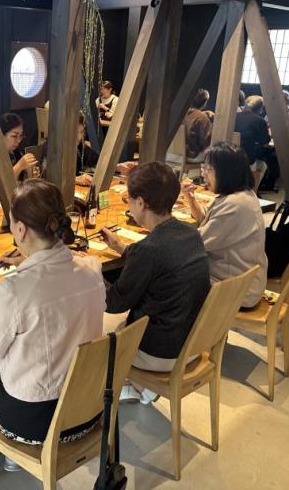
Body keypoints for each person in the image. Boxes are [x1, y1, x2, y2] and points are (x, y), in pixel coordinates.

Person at [0, 179, 106, 470]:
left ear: (21, 229)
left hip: (37, 424)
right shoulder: (91, 269)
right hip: (87, 410)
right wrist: (26, 263)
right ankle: (11, 455)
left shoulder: (15, 290)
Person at [100, 162, 211, 404]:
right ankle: (143, 387)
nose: (129, 205)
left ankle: (134, 385)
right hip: (193, 342)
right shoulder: (191, 233)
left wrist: (91, 271)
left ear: (140, 203)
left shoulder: (148, 250)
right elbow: (161, 261)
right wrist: (122, 248)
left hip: (163, 352)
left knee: (109, 337)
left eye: (129, 200)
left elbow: (114, 303)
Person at [180, 142, 268, 309]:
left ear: (226, 172)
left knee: (168, 276)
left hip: (237, 289)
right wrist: (190, 199)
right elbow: (207, 218)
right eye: (203, 167)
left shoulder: (235, 205)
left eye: (208, 169)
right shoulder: (242, 194)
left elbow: (196, 244)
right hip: (240, 279)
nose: (203, 174)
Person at [0, 113, 37, 198]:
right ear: (0, 135)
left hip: (13, 199)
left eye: (21, 136)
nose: (19, 141)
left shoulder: (15, 153)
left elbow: (20, 185)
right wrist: (19, 166)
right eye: (14, 136)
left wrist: (30, 174)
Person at [234, 95, 270, 176]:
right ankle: (251, 183)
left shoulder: (233, 116)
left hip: (228, 156)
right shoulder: (260, 121)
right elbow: (264, 141)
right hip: (246, 159)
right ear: (260, 109)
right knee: (263, 165)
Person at [183, 88, 212, 162]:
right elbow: (206, 142)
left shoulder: (182, 113)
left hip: (178, 154)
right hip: (193, 157)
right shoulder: (202, 118)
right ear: (204, 102)